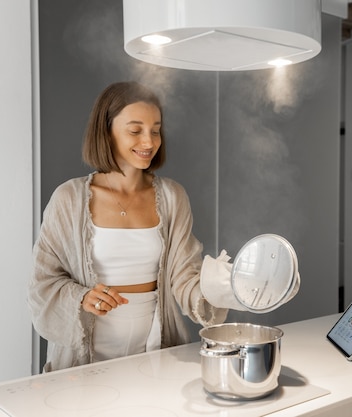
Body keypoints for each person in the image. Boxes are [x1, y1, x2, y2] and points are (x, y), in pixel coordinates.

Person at [28, 81, 233, 372]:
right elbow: (42, 283)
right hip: (83, 361)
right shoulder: (69, 199)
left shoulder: (173, 197)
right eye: (135, 130)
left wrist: (224, 288)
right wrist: (81, 297)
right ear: (106, 131)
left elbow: (185, 276)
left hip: (154, 355)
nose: (149, 142)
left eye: (156, 129)